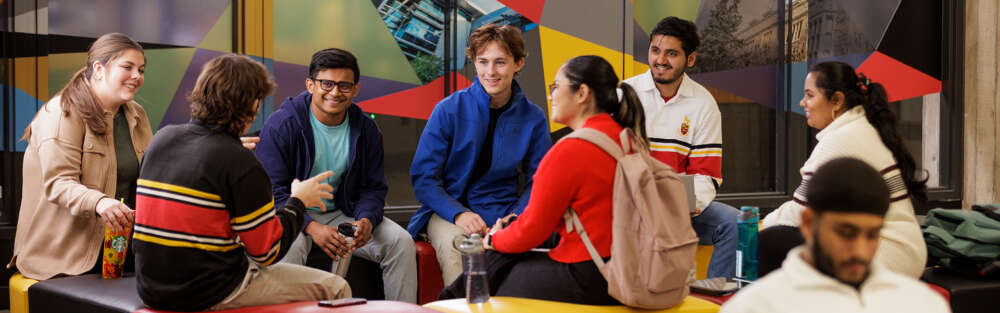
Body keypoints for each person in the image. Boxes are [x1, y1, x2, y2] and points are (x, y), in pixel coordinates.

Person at [133, 54, 350, 311]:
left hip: (150, 288)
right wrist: (299, 200)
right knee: (336, 287)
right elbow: (267, 252)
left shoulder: (162, 139)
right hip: (210, 291)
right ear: (252, 105)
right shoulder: (239, 162)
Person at [440, 55, 643, 304]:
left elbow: (531, 232)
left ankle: (446, 303)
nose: (551, 95)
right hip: (630, 266)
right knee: (503, 255)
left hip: (591, 275)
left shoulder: (570, 150)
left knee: (497, 274)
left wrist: (493, 238)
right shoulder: (627, 139)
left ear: (582, 93)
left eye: (556, 87)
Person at [255, 48, 416, 302]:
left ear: (355, 89)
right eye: (326, 83)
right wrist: (311, 226)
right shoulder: (282, 125)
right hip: (293, 213)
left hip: (344, 211)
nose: (334, 92)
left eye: (344, 85)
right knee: (289, 246)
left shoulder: (366, 128)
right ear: (310, 84)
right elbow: (271, 193)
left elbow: (373, 188)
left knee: (401, 242)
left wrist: (366, 220)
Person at [407, 23, 552, 284]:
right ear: (474, 62)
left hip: (504, 211)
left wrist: (514, 218)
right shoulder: (448, 109)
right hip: (446, 212)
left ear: (518, 63)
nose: (490, 72)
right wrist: (459, 214)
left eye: (500, 62)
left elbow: (541, 180)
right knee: (459, 247)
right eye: (483, 62)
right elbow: (424, 179)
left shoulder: (533, 118)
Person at [760, 61, 928, 278]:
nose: (802, 103)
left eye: (810, 95)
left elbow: (799, 211)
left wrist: (758, 226)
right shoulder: (858, 128)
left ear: (837, 100)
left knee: (773, 241)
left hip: (887, 252)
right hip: (903, 250)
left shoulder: (843, 138)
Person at [720, 158, 949, 313]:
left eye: (872, 235)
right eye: (846, 234)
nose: (860, 251)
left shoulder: (922, 304)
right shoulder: (756, 307)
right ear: (808, 223)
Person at [10, 33, 152, 280]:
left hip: (119, 250)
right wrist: (100, 202)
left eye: (140, 69)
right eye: (127, 67)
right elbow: (58, 183)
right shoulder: (60, 112)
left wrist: (212, 146)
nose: (137, 76)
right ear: (99, 68)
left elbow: (155, 169)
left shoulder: (135, 115)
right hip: (65, 258)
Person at [623, 16, 738, 279]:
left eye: (671, 53)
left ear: (691, 59)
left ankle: (711, 302)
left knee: (735, 224)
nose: (660, 60)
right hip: (630, 203)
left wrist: (672, 207)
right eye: (655, 50)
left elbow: (705, 175)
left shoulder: (703, 103)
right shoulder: (626, 93)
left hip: (678, 208)